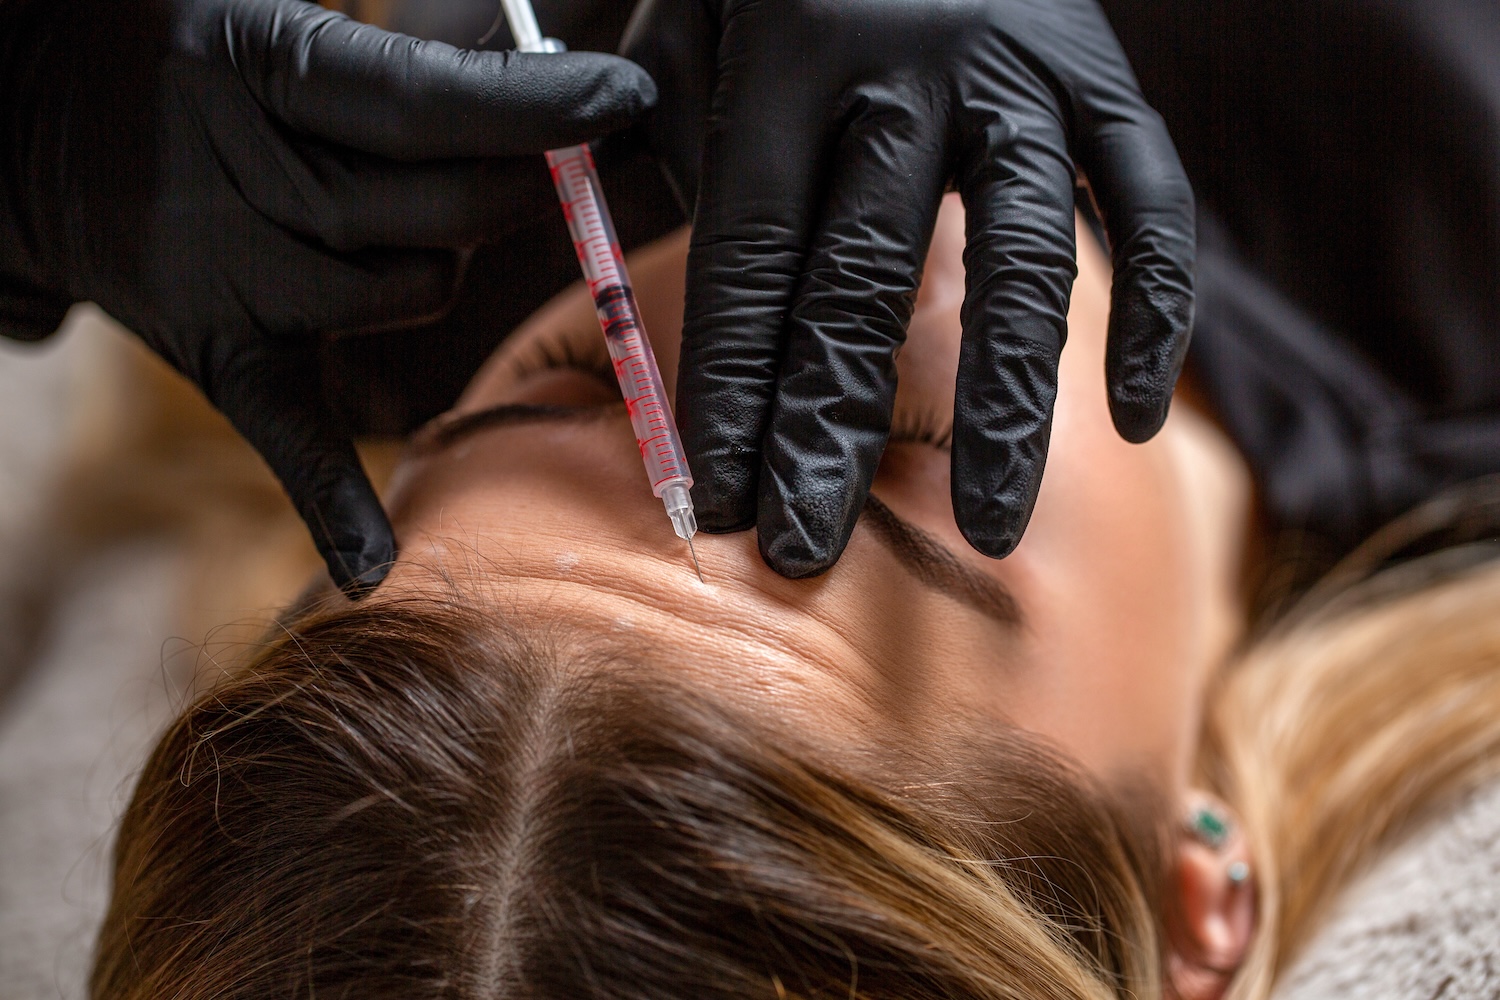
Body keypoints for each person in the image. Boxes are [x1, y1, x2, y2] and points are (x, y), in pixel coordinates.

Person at [88, 200, 1500, 999]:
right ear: (1204, 890)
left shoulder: (387, 227)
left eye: (565, 383)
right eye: (893, 461)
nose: (728, 336)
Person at [0, 0, 1196, 593]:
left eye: (568, 383)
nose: (688, 375)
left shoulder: (403, 275)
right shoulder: (1382, 211)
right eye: (883, 447)